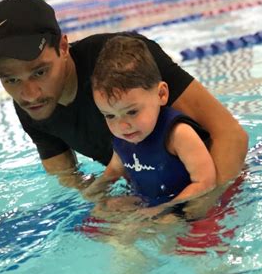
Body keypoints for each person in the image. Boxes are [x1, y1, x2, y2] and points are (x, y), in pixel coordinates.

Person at [0, 0, 248, 188]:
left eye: (40, 72)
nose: (29, 93)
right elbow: (69, 179)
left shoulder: (125, 61)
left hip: (213, 178)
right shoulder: (30, 106)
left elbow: (231, 135)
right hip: (151, 187)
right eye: (11, 79)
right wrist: (104, 203)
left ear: (63, 47)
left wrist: (205, 212)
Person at [87, 35, 216, 213]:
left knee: (165, 223)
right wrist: (94, 192)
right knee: (102, 214)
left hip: (185, 206)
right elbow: (115, 169)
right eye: (109, 116)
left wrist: (163, 209)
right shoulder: (123, 136)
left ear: (161, 94)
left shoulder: (178, 135)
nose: (122, 126)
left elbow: (206, 182)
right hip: (150, 203)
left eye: (132, 112)